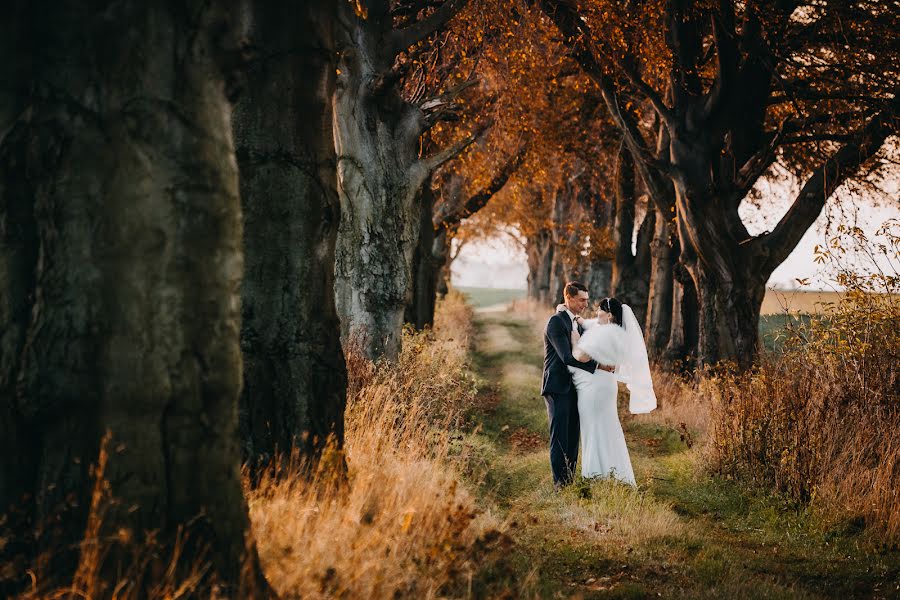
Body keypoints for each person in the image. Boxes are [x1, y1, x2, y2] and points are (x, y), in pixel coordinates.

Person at [561, 297, 657, 486]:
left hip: (595, 388)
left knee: (594, 429)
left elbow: (581, 356)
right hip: (607, 385)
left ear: (609, 315)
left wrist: (575, 339)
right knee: (608, 427)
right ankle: (615, 474)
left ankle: (596, 474)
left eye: (600, 311)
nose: (596, 314)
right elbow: (590, 326)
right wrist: (577, 320)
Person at [541, 281, 597, 489]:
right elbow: (566, 356)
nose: (585, 304)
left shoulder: (576, 322)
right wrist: (597, 366)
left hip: (576, 387)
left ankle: (569, 481)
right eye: (582, 300)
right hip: (557, 386)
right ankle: (559, 485)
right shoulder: (556, 322)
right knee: (560, 437)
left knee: (573, 437)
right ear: (569, 298)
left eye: (587, 300)